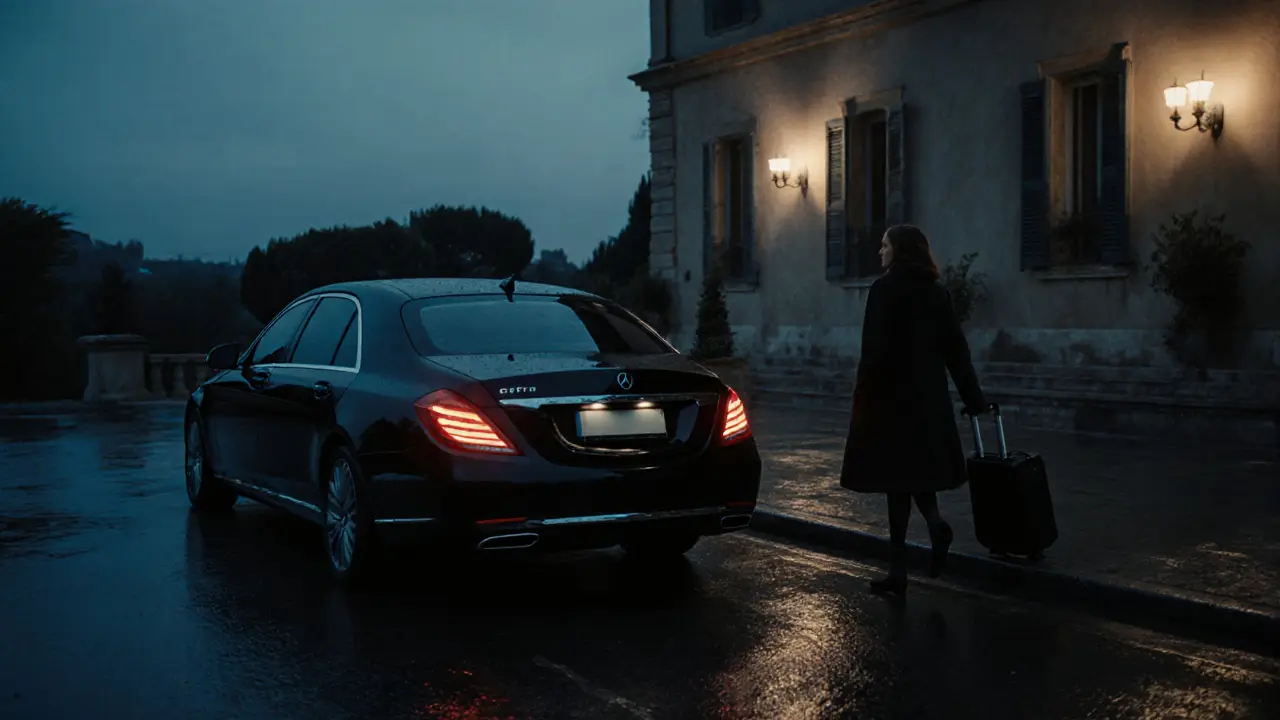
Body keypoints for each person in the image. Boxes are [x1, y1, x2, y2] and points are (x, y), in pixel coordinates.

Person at [840, 224, 987, 597]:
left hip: (890, 400)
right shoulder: (936, 293)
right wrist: (973, 397)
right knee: (913, 475)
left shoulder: (884, 290)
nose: (880, 252)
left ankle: (900, 570)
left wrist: (862, 399)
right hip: (928, 400)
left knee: (897, 484)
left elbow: (871, 353)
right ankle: (933, 527)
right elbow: (956, 349)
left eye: (885, 245)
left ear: (900, 250)